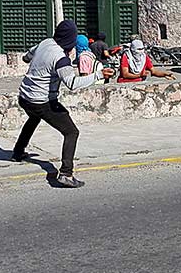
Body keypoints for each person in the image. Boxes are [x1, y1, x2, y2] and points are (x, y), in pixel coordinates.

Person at [12, 20, 114, 188]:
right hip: (42, 101)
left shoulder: (45, 43)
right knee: (71, 132)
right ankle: (66, 173)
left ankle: (17, 152)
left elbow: (26, 57)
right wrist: (99, 74)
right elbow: (72, 83)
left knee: (34, 118)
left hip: (24, 96)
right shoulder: (60, 58)